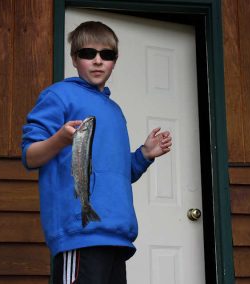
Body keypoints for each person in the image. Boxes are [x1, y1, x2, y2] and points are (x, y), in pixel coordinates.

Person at [21, 21, 172, 284]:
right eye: (88, 54)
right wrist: (59, 140)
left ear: (115, 60)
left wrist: (144, 155)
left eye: (107, 55)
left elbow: (119, 174)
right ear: (74, 58)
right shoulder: (59, 96)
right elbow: (30, 156)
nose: (98, 61)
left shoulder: (115, 111)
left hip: (117, 234)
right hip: (79, 233)